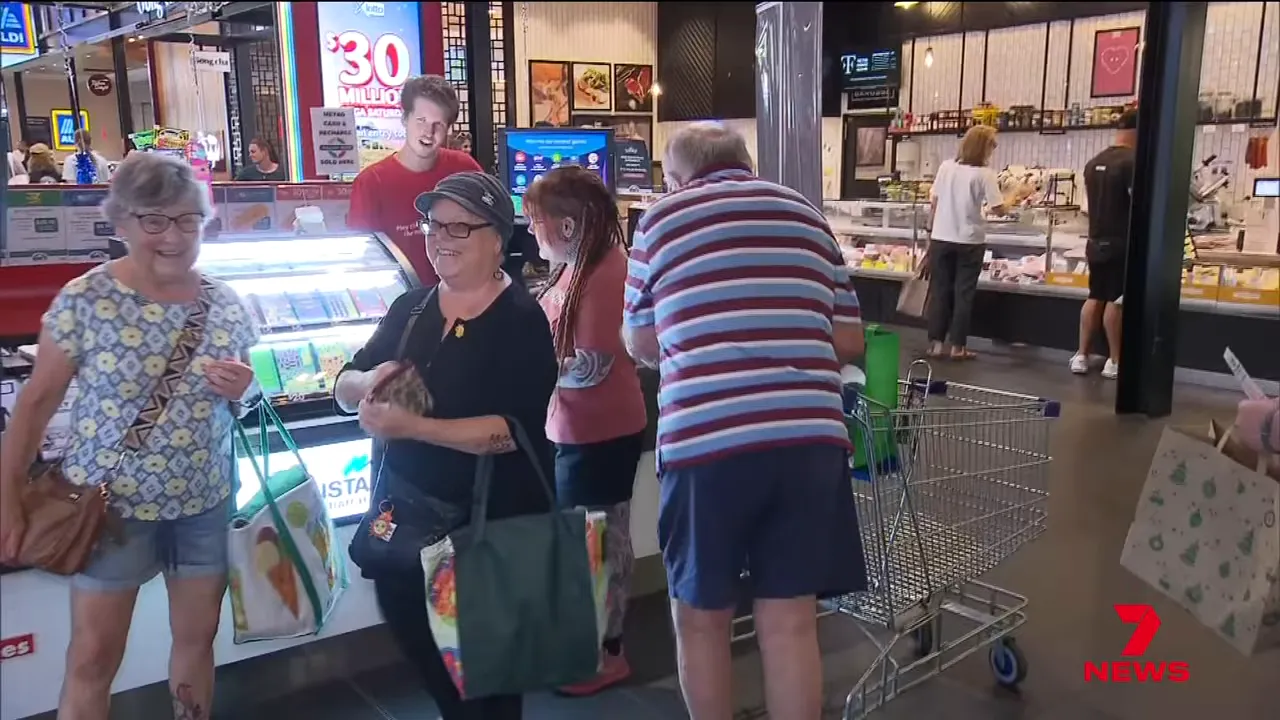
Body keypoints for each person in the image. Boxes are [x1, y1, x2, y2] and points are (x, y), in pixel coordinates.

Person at [0, 152, 260, 719]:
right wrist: (8, 501)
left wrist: (247, 390)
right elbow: (33, 407)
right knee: (93, 657)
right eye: (154, 220)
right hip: (109, 510)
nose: (172, 236)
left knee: (196, 644)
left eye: (187, 220)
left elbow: (243, 400)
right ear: (121, 223)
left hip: (204, 505)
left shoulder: (224, 304)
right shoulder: (86, 300)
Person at [622, 123, 867, 720]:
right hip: (809, 442)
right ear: (746, 162)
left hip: (708, 445)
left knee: (701, 621)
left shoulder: (659, 219)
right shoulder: (806, 214)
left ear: (678, 178)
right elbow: (850, 338)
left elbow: (639, 340)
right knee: (789, 623)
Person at [334, 172, 557, 720]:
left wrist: (415, 428)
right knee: (440, 676)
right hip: (407, 533)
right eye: (436, 224)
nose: (442, 237)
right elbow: (344, 383)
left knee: (488, 690)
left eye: (461, 226)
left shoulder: (522, 322)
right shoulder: (410, 308)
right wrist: (368, 382)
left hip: (490, 535)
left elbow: (513, 430)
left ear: (497, 239)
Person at [526, 167, 647, 695]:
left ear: (569, 226)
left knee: (596, 544)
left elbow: (592, 362)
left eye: (537, 222)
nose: (531, 232)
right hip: (579, 427)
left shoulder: (604, 272)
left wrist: (531, 373)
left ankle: (605, 652)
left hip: (599, 430)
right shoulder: (577, 266)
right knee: (589, 541)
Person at [348, 75, 482, 286]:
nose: (428, 132)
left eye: (438, 124)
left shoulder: (464, 169)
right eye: (421, 121)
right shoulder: (371, 182)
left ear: (448, 129)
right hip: (402, 303)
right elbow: (363, 259)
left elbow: (492, 229)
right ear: (404, 119)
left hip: (464, 298)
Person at [925, 124, 1009, 361]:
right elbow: (999, 210)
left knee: (940, 291)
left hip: (941, 237)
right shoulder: (985, 174)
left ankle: (936, 345)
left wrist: (932, 229)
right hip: (969, 240)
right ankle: (957, 347)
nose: (991, 153)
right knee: (963, 293)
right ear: (983, 149)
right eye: (991, 148)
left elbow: (934, 201)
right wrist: (1015, 197)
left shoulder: (946, 168)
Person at [1071, 108, 1138, 379]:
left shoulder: (1093, 162)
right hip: (1121, 243)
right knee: (1116, 300)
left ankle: (1081, 355)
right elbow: (1138, 205)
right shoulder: (1133, 162)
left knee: (1095, 296)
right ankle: (1114, 361)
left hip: (1095, 241)